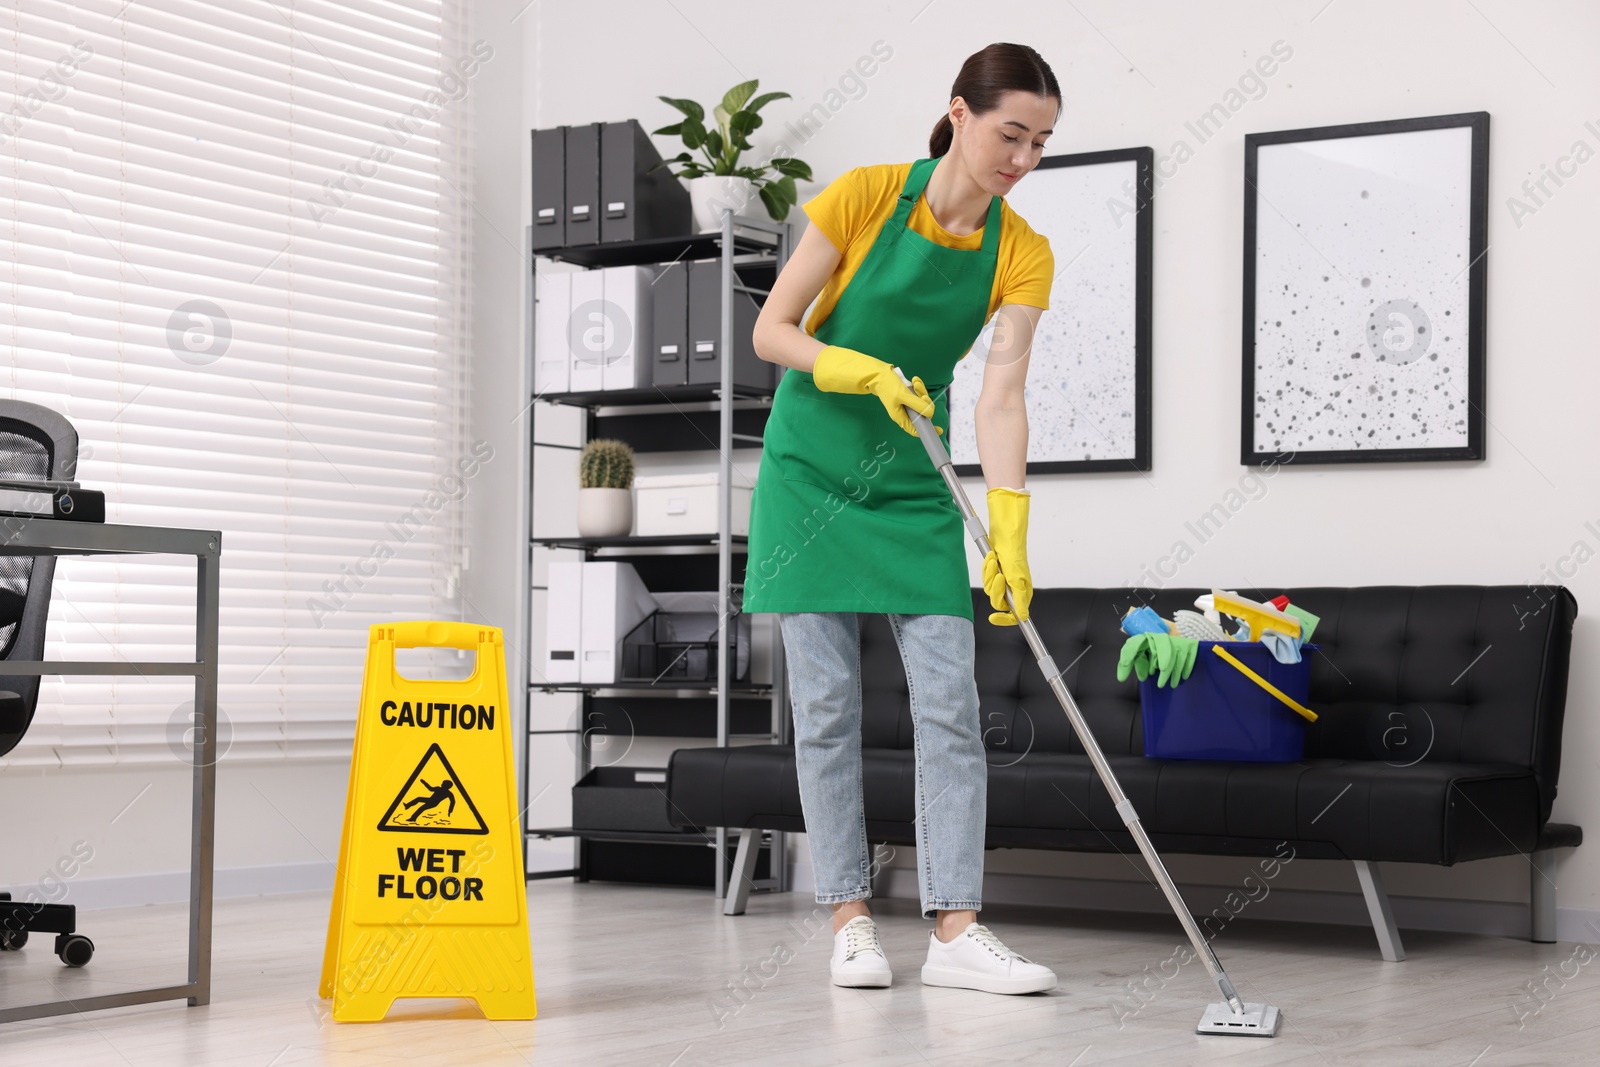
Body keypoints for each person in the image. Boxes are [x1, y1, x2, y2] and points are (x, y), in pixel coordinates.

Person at [743, 42, 1060, 994]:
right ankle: (849, 917)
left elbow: (1000, 396)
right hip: (809, 473)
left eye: (1042, 143)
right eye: (1012, 134)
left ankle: (957, 929)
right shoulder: (864, 197)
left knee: (950, 711)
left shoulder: (1022, 252)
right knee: (829, 710)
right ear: (959, 114)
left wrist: (1009, 527)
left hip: (913, 481)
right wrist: (845, 364)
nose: (1023, 159)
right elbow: (772, 329)